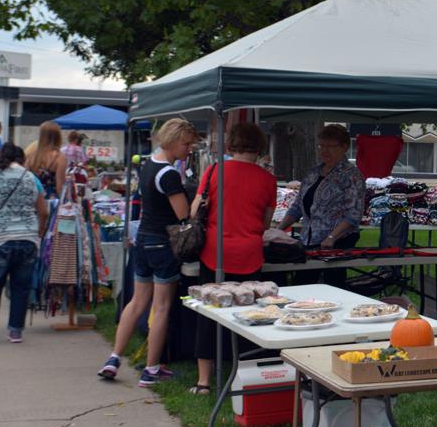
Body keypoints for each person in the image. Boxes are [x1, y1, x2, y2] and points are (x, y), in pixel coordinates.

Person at [98, 118, 199, 388]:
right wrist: (198, 201)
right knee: (162, 307)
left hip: (142, 239)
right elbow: (182, 214)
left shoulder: (148, 165)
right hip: (162, 244)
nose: (189, 149)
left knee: (137, 302)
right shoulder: (168, 173)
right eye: (187, 143)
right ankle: (151, 369)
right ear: (175, 141)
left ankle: (113, 357)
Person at [190, 123, 277, 395]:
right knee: (250, 313)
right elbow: (266, 222)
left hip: (215, 253)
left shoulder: (214, 171)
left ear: (231, 144)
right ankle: (245, 373)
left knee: (209, 314)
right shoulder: (267, 180)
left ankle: (204, 380)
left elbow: (195, 211)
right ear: (260, 146)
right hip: (250, 252)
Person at [0, 143, 49, 343]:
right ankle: (15, 330)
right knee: (21, 287)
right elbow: (43, 210)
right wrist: (40, 229)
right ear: (22, 158)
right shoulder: (31, 178)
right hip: (27, 238)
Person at [276, 124, 365, 288]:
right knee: (301, 286)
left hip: (335, 243)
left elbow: (353, 215)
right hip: (308, 241)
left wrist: (332, 237)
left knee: (332, 289)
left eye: (330, 146)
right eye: (321, 146)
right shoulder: (313, 172)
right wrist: (278, 229)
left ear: (344, 147)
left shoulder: (352, 175)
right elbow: (297, 207)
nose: (324, 150)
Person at [25, 120, 67, 199]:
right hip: (50, 201)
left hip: (32, 199)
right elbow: (60, 187)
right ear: (58, 136)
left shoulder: (31, 156)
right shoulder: (59, 157)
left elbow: (25, 180)